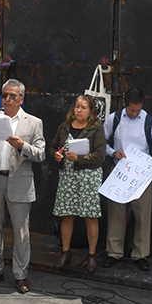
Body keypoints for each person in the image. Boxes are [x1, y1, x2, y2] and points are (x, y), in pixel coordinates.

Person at [0, 79, 45, 293]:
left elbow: (41, 154)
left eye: (12, 96)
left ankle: (20, 274)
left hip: (19, 182)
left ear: (21, 99)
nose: (7, 100)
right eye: (4, 95)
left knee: (21, 232)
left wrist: (22, 145)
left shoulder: (33, 122)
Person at [103, 88, 152, 271]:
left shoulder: (148, 120)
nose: (135, 113)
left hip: (141, 173)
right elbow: (100, 142)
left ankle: (140, 254)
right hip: (119, 171)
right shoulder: (115, 118)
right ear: (125, 104)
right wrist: (112, 152)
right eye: (131, 110)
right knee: (116, 213)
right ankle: (114, 252)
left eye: (138, 110)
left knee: (143, 214)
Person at [51, 95, 107, 274]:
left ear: (91, 111)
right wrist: (56, 155)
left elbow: (100, 155)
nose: (79, 110)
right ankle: (65, 252)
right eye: (77, 106)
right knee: (67, 215)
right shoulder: (64, 126)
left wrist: (80, 158)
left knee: (90, 216)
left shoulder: (96, 129)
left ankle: (91, 255)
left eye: (83, 107)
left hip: (88, 177)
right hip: (68, 177)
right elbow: (53, 147)